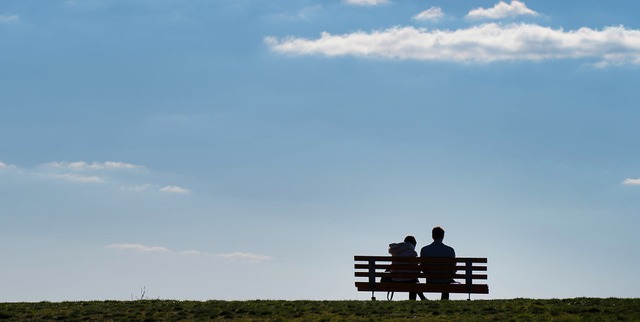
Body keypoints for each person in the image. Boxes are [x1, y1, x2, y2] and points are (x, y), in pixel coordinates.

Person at [420, 226, 456, 300]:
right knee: (447, 280)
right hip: (445, 280)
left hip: (430, 280)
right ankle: (445, 302)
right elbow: (453, 268)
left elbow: (422, 267)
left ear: (432, 236)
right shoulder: (450, 250)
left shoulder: (424, 250)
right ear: (443, 236)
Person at [388, 235, 427, 300]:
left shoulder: (395, 252)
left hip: (395, 278)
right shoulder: (412, 253)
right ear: (413, 244)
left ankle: (422, 297)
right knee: (414, 280)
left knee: (413, 279)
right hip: (409, 280)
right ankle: (414, 300)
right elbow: (416, 270)